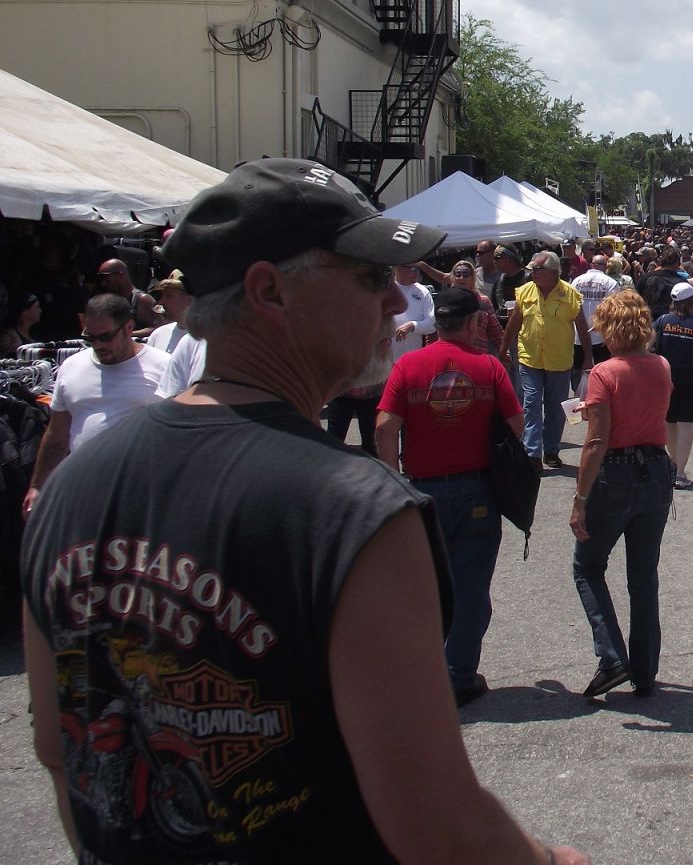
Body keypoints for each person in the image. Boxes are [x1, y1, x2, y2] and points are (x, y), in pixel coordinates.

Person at [21, 157, 586, 862]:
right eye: (369, 277)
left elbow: (61, 753)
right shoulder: (353, 509)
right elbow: (438, 826)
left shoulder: (70, 489)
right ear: (270, 291)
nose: (394, 302)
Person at [376, 285, 522, 707]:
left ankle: (418, 672)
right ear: (474, 323)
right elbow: (517, 424)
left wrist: (394, 477)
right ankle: (458, 675)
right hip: (477, 488)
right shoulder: (488, 367)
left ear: (438, 323)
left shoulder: (409, 365)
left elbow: (385, 426)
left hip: (423, 489)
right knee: (471, 585)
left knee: (422, 587)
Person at [570, 290, 675, 700]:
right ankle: (644, 671)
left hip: (616, 473)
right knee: (643, 577)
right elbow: (645, 408)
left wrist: (580, 499)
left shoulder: (604, 372)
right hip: (655, 470)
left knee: (587, 566)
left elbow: (597, 441)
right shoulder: (661, 365)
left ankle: (612, 656)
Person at [25, 293, 170, 516]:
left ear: (129, 328)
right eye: (90, 338)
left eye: (105, 337)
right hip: (83, 492)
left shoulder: (164, 367)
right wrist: (37, 486)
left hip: (141, 495)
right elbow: (57, 435)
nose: (98, 345)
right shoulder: (71, 367)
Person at [501, 250, 593, 468]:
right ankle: (532, 454)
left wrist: (588, 357)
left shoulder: (570, 294)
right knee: (531, 405)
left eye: (537, 269)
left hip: (559, 360)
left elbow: (582, 328)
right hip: (529, 358)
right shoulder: (525, 291)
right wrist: (503, 349)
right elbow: (514, 323)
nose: (532, 273)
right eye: (532, 269)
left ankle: (551, 450)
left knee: (556, 408)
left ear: (553, 272)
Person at [651, 281, 693, 488]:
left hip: (665, 376)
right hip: (691, 377)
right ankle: (680, 472)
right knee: (685, 423)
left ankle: (673, 463)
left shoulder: (662, 321)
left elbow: (648, 345)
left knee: (669, 421)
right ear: (690, 302)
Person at [388, 262, 436, 363]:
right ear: (398, 268)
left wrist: (412, 325)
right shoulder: (386, 288)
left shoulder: (423, 292)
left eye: (418, 269)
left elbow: (432, 325)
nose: (417, 273)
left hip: (411, 358)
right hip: (386, 359)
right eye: (413, 269)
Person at [93, 257, 160, 330]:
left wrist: (127, 334)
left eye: (106, 278)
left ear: (119, 276)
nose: (103, 283)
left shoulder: (143, 300)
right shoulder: (110, 303)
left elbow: (159, 328)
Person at [143, 271, 193, 355]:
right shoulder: (158, 335)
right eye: (163, 296)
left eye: (169, 296)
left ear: (189, 300)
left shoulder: (208, 340)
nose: (161, 302)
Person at [1, 290, 42, 356]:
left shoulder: (33, 338)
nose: (40, 310)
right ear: (25, 311)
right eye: (37, 307)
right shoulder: (9, 339)